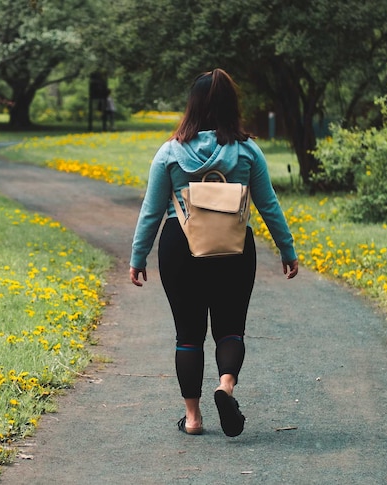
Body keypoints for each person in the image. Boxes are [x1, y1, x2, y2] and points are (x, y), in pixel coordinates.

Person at [129, 68, 299, 438]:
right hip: (234, 248)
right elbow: (269, 205)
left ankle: (192, 418)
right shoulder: (247, 151)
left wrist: (138, 256)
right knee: (230, 329)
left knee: (188, 335)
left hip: (180, 246)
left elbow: (152, 209)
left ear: (192, 106)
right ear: (230, 106)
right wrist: (287, 249)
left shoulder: (170, 152)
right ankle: (225, 387)